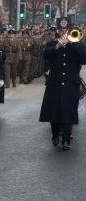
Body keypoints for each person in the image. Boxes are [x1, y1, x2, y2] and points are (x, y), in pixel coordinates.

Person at [39, 18, 86, 150]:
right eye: (61, 30)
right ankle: (55, 134)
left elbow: (84, 58)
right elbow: (45, 55)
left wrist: (71, 43)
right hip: (55, 83)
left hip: (71, 83)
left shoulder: (78, 46)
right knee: (54, 112)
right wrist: (57, 46)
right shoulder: (51, 44)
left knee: (68, 111)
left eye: (66, 30)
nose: (63, 33)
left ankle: (66, 140)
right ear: (58, 32)